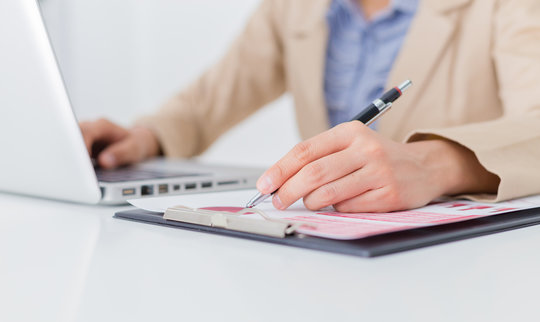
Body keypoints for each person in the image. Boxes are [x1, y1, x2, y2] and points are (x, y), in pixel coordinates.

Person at [81, 0, 540, 213]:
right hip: (329, 262)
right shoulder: (293, 7)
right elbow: (209, 101)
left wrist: (436, 162)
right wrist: (146, 137)